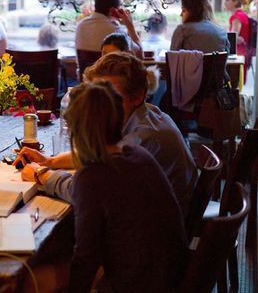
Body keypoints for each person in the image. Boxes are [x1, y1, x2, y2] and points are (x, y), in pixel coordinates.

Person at [14, 52, 197, 217]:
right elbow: (101, 153)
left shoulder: (142, 138)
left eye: (109, 94)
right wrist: (50, 161)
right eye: (94, 94)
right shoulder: (144, 114)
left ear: (137, 96)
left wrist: (42, 175)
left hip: (150, 235)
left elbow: (92, 195)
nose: (97, 103)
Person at [64, 82, 188, 292]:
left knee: (34, 277)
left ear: (78, 131)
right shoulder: (137, 154)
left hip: (140, 284)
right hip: (171, 274)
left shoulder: (91, 177)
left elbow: (86, 258)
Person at [75, 0, 142, 57]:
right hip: (107, 68)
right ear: (112, 11)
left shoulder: (81, 26)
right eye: (121, 5)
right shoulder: (117, 31)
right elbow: (139, 55)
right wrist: (129, 25)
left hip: (87, 68)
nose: (123, 8)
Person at [225, 0, 250, 76]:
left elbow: (233, 38)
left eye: (227, 0)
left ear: (235, 1)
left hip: (237, 56)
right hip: (244, 54)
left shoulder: (237, 17)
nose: (225, 3)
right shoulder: (243, 15)